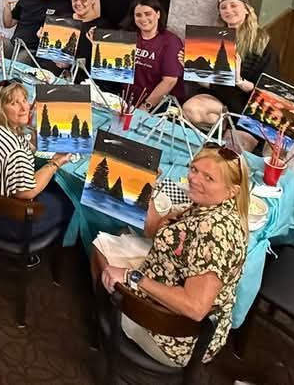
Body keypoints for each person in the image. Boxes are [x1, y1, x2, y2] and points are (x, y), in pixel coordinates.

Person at [96, 145, 249, 368]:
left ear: (232, 191)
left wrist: (132, 277)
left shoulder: (213, 232)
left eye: (209, 178)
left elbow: (195, 307)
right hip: (171, 298)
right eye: (194, 169)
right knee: (109, 244)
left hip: (174, 338)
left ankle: (106, 335)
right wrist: (147, 184)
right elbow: (155, 229)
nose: (194, 179)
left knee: (102, 259)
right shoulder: (209, 208)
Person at [0, 79, 75, 240]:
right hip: (11, 221)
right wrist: (55, 163)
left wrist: (32, 141)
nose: (25, 107)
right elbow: (26, 193)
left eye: (24, 100)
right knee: (70, 199)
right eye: (14, 103)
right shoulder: (14, 153)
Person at [182, 0, 280, 126]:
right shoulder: (212, 39)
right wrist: (189, 68)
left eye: (233, 5)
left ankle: (232, 130)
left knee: (235, 135)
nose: (228, 10)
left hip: (245, 103)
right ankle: (224, 130)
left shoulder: (263, 45)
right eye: (223, 7)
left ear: (247, 10)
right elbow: (209, 84)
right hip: (217, 96)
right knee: (191, 109)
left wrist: (239, 80)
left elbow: (266, 92)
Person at [121, 0, 185, 111]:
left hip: (158, 106)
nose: (143, 19)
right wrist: (97, 44)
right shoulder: (128, 36)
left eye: (148, 14)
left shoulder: (171, 42)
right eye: (138, 15)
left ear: (158, 14)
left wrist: (146, 106)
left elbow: (170, 81)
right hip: (126, 100)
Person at [1, 0, 71, 52]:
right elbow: (8, 24)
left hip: (33, 50)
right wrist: (7, 6)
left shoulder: (62, 6)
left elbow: (64, 35)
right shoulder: (25, 1)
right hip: (14, 44)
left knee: (21, 59)